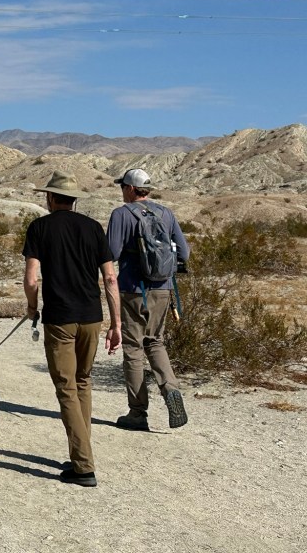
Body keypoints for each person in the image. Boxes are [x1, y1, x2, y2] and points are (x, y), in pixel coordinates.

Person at [22, 171, 121, 487]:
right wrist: (116, 322)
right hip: (92, 317)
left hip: (60, 319)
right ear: (74, 199)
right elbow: (109, 279)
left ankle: (83, 465)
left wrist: (30, 307)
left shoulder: (39, 228)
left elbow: (31, 278)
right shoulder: (93, 228)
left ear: (50, 198)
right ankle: (81, 453)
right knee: (82, 381)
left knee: (65, 386)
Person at [107, 168, 191, 432]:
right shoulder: (166, 213)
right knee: (155, 342)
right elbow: (184, 253)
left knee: (133, 349)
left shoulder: (121, 214)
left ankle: (137, 412)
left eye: (123, 187)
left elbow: (111, 252)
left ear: (131, 189)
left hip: (133, 288)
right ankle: (171, 391)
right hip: (164, 288)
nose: (122, 191)